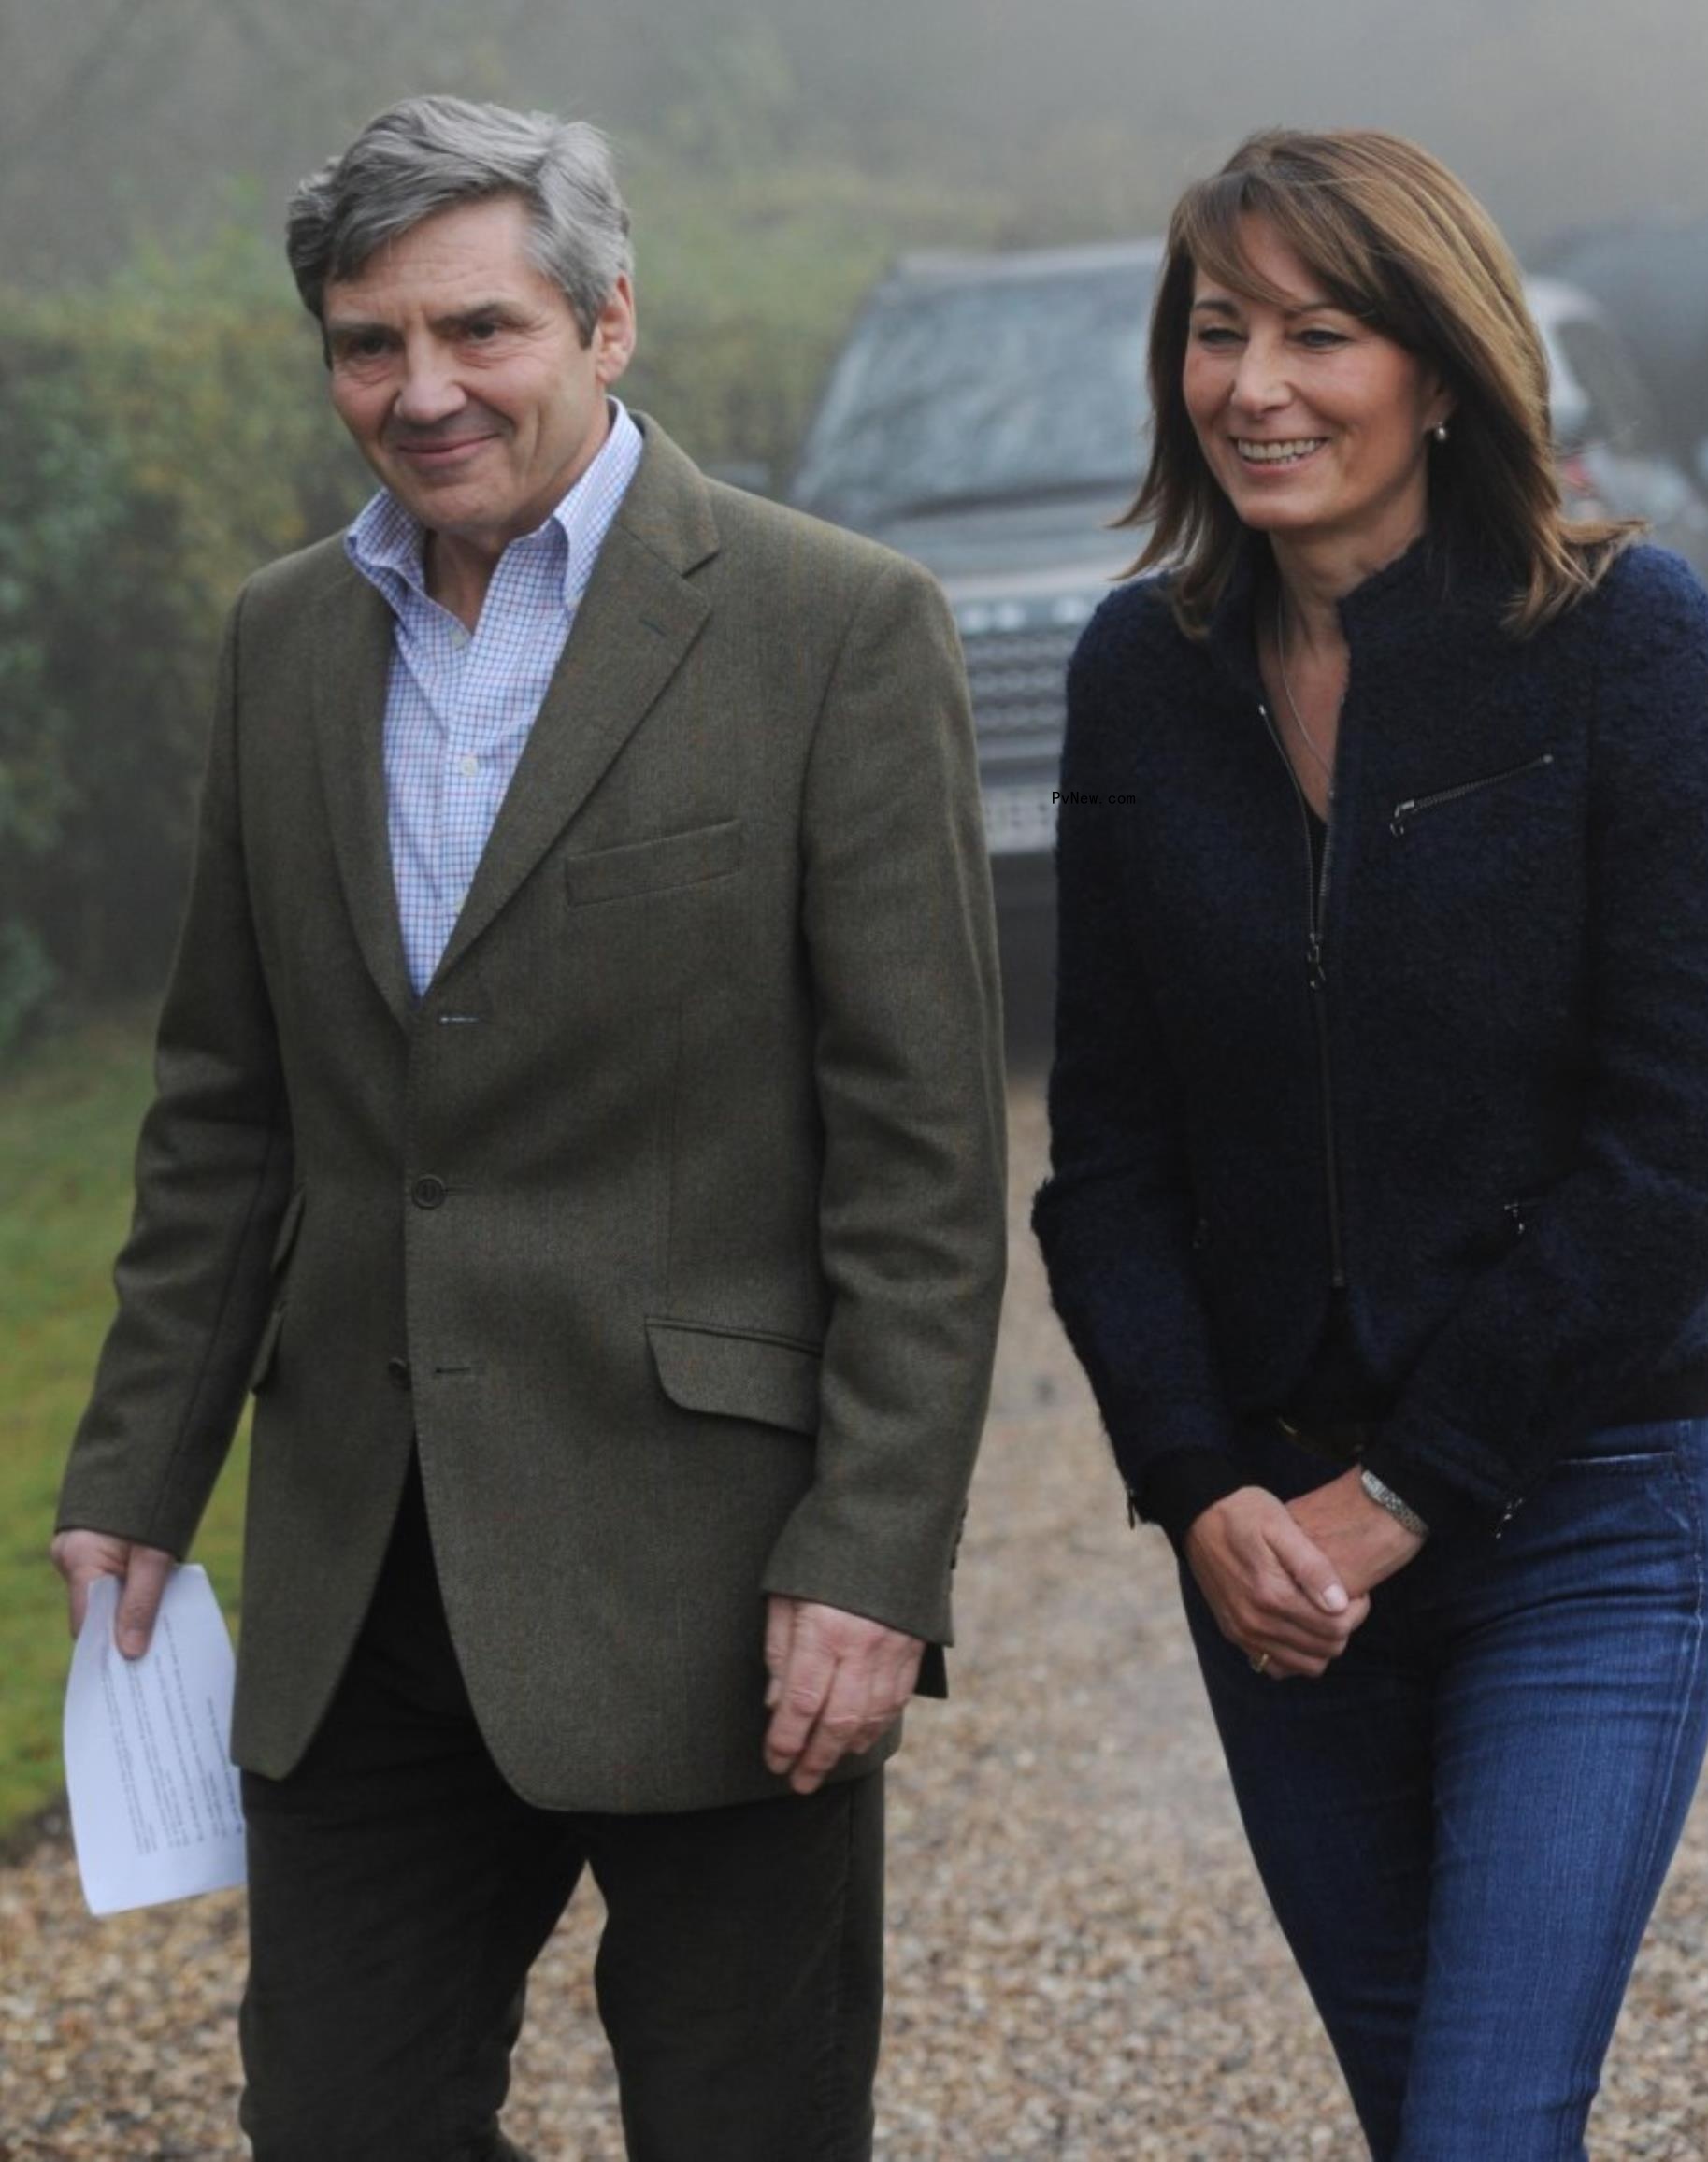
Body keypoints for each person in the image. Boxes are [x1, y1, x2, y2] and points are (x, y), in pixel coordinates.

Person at [51, 93, 1006, 2161]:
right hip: (362, 1574)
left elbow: (921, 1159)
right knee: (335, 2121)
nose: (420, 389)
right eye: (365, 342)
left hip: (720, 1585)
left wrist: (874, 1554)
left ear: (607, 325)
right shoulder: (281, 636)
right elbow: (228, 1100)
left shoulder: (834, 626)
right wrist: (137, 1463)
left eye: (477, 329)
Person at [1033, 128, 1708, 2161]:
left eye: (1319, 331)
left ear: (1440, 366)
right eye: (1216, 331)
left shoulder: (1621, 636)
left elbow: (1696, 1130)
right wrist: (1196, 1487)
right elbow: (1104, 1153)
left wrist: (1412, 1485)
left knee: (1481, 2124)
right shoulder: (1141, 676)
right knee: (1429, 2119)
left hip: (1582, 1508)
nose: (1254, 382)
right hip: (1271, 1559)